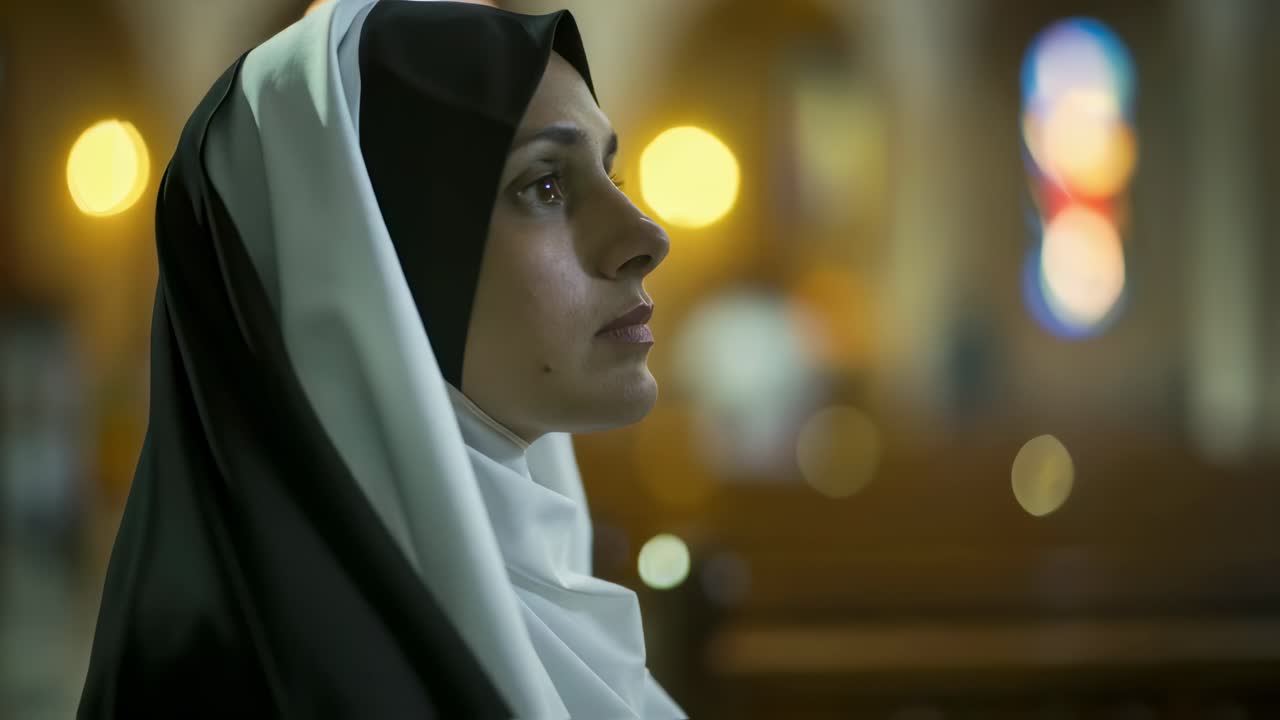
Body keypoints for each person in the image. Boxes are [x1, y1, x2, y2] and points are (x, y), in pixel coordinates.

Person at [78, 0, 683, 717]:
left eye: (613, 174)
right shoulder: (244, 685)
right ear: (365, 255)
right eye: (544, 184)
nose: (647, 236)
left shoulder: (550, 601)